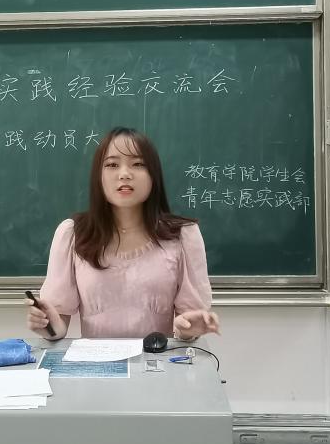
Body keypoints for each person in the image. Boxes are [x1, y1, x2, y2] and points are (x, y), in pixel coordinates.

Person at [27, 126, 220, 341]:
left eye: (138, 164)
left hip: (157, 360)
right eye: (112, 165)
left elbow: (188, 322)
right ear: (98, 176)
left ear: (153, 175)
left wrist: (188, 330)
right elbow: (58, 325)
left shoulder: (183, 235)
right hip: (95, 361)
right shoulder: (73, 234)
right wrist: (47, 325)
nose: (125, 174)